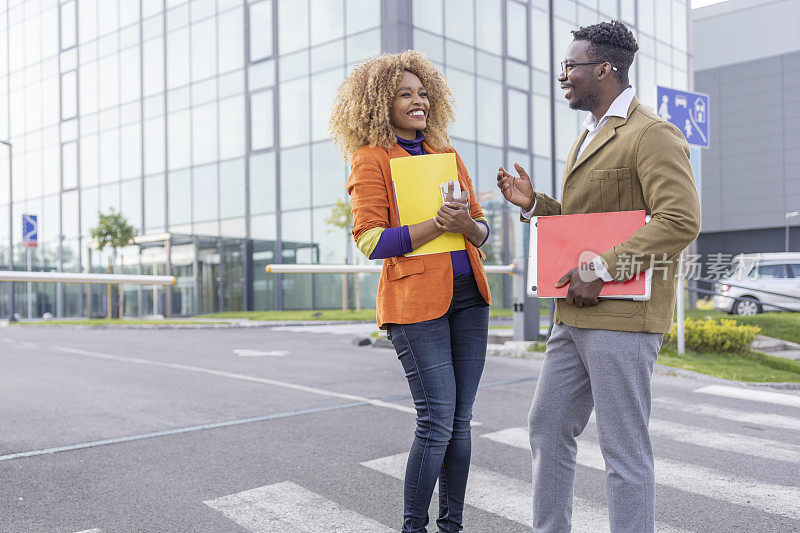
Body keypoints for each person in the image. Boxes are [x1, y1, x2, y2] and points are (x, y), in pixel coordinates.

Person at [496, 21, 701, 533]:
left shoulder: (651, 134)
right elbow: (590, 222)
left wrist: (603, 267)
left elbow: (680, 220)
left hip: (624, 318)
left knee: (622, 449)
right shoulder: (588, 133)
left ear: (605, 69)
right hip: (573, 315)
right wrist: (537, 206)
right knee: (547, 428)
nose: (563, 76)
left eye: (571, 66)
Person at [329, 50, 492, 533]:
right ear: (381, 104)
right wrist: (433, 226)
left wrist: (466, 223)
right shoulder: (370, 159)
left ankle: (452, 527)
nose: (418, 101)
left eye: (422, 93)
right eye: (405, 94)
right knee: (437, 420)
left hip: (470, 296)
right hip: (415, 304)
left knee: (461, 423)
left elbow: (481, 232)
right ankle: (412, 528)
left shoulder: (448, 154)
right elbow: (370, 240)